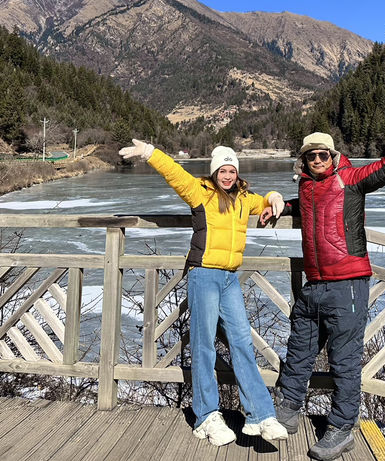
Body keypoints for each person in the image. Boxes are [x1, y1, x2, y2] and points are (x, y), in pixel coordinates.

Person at [262, 116, 385, 461]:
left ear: (332, 156)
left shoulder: (350, 179)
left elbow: (384, 170)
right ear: (303, 160)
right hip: (315, 284)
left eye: (322, 155)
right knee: (299, 349)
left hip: (348, 285)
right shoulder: (307, 187)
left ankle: (342, 429)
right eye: (311, 156)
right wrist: (282, 207)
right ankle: (287, 409)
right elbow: (309, 207)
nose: (317, 160)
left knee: (344, 361)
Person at [118, 139, 289, 447]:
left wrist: (274, 197)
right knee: (204, 345)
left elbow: (263, 200)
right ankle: (206, 416)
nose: (228, 176)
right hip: (204, 275)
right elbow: (174, 173)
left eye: (232, 170)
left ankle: (260, 415)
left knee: (242, 342)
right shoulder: (201, 192)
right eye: (223, 171)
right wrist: (149, 153)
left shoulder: (243, 198)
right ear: (214, 173)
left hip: (230, 278)